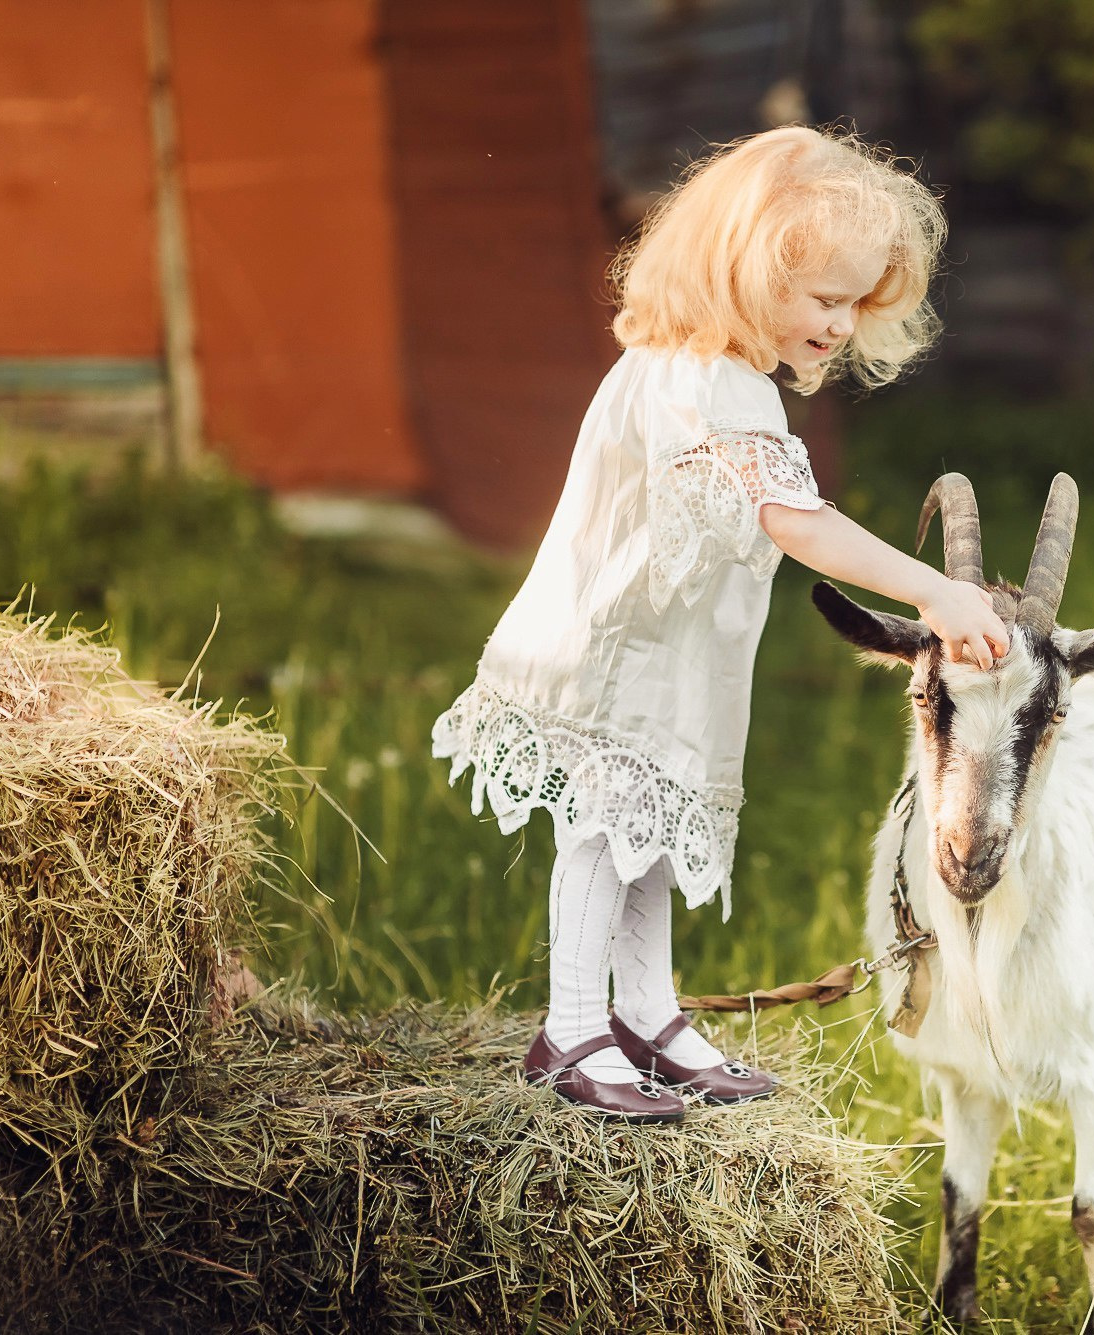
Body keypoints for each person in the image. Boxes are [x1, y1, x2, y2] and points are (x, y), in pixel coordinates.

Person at [431, 126, 1007, 1122]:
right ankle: (572, 1029)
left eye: (856, 304)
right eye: (825, 298)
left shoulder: (712, 374)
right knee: (605, 834)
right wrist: (935, 592)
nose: (840, 324)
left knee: (648, 836)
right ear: (749, 273)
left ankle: (646, 1014)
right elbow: (796, 522)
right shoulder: (701, 380)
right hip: (615, 654)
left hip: (669, 660)